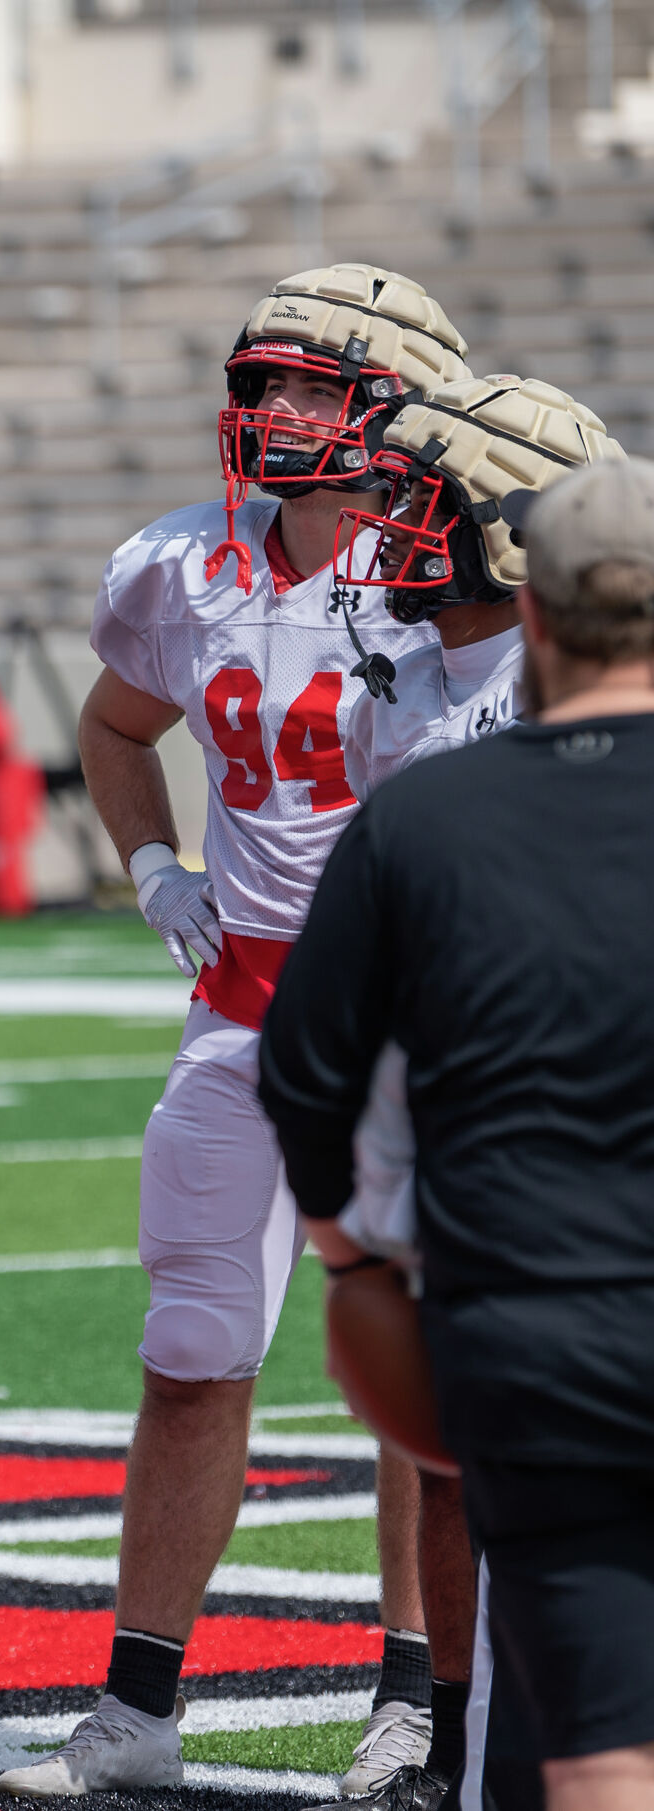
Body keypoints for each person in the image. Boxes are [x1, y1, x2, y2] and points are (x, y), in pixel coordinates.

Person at [0, 265, 472, 1800]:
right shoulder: (183, 567)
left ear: (395, 400)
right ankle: (136, 1709)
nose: (274, 410)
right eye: (261, 383)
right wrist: (153, 865)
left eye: (311, 385)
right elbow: (114, 721)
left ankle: (420, 1696)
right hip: (247, 1006)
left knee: (417, 1371)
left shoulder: (458, 572)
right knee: (193, 1349)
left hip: (417, 1016)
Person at [259, 454, 654, 1811]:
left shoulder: (427, 813)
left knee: (597, 1744)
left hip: (540, 1331)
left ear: (533, 614)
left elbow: (306, 1076)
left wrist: (361, 1275)